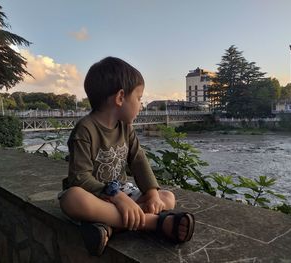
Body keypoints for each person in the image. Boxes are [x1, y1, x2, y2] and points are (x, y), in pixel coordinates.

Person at [58, 57, 195, 256]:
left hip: (120, 196)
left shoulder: (126, 128)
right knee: (72, 198)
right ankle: (156, 223)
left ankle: (109, 227)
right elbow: (80, 178)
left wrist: (152, 194)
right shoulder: (85, 130)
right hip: (95, 195)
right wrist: (118, 197)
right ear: (121, 97)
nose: (140, 105)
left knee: (167, 197)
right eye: (139, 98)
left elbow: (138, 160)